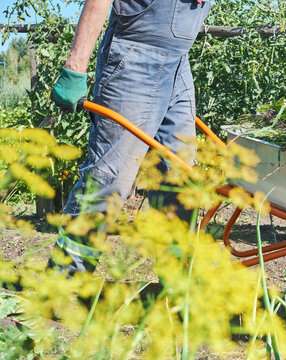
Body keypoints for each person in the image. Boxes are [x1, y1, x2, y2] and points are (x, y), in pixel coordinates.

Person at [48, 0, 211, 274]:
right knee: (109, 180)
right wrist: (75, 65)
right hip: (135, 58)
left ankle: (175, 287)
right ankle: (65, 281)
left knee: (180, 180)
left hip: (179, 64)